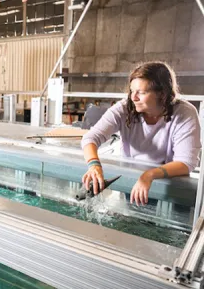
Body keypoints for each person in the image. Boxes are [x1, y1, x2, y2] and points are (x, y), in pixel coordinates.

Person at [81, 62, 201, 206]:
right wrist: (94, 165)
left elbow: (186, 162)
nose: (134, 97)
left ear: (162, 94)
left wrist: (149, 175)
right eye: (132, 91)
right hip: (134, 181)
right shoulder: (124, 109)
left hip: (171, 185)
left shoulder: (184, 113)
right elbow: (90, 138)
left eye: (141, 92)